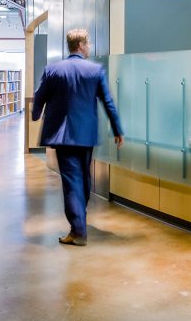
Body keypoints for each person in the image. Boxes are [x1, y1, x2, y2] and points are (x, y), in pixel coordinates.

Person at [32, 28, 124, 246]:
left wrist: (36, 115)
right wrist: (117, 129)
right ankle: (78, 226)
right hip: (86, 135)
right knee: (82, 179)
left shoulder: (53, 70)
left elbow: (39, 96)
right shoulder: (95, 70)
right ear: (81, 45)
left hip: (63, 135)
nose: (90, 47)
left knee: (73, 181)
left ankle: (78, 230)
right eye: (88, 44)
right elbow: (108, 101)